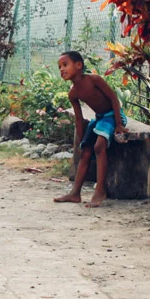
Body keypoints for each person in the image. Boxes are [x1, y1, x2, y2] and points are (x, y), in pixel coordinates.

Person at [53, 51, 126, 208]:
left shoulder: (94, 80)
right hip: (99, 118)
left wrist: (119, 124)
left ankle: (100, 191)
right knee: (85, 151)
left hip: (113, 115)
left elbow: (114, 98)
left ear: (79, 65)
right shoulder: (73, 93)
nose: (61, 69)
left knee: (99, 146)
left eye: (65, 65)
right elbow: (79, 118)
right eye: (59, 67)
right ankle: (75, 193)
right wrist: (80, 139)